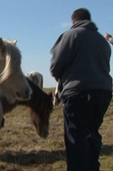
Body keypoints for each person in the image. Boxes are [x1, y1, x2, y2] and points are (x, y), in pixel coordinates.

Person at [50, 8, 112, 171]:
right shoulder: (102, 41)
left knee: (76, 139)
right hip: (103, 93)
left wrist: (61, 78)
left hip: (78, 93)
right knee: (92, 133)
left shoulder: (70, 36)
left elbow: (55, 65)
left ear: (73, 21)